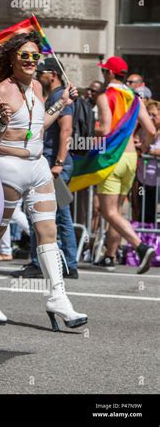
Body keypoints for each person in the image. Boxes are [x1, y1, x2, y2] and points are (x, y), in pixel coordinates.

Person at [0, 31, 87, 330]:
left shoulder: (36, 86)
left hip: (38, 167)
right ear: (12, 59)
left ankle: (58, 297)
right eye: (25, 56)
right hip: (8, 166)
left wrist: (61, 104)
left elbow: (38, 126)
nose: (32, 61)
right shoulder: (1, 91)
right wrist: (3, 123)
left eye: (36, 56)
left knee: (49, 231)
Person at [12, 57, 79, 279]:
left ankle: (60, 263)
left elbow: (66, 130)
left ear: (53, 74)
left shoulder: (60, 96)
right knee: (53, 213)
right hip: (49, 160)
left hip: (53, 163)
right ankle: (63, 263)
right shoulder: (56, 96)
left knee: (52, 213)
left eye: (42, 72)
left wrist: (58, 164)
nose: (39, 75)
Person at [95, 57, 156, 273]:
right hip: (132, 158)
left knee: (107, 210)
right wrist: (144, 148)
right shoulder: (135, 98)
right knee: (117, 210)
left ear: (109, 74)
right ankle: (110, 256)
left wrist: (90, 132)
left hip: (114, 157)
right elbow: (150, 129)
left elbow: (105, 128)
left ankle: (141, 247)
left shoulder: (106, 96)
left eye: (104, 72)